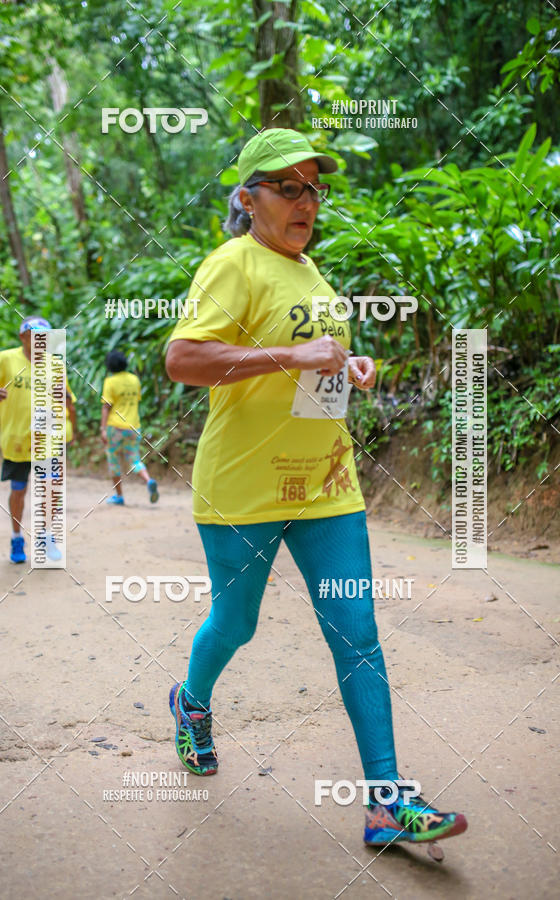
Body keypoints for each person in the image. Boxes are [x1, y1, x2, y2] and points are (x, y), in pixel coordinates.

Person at [165, 129, 468, 850]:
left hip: (327, 488)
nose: (307, 201)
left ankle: (387, 802)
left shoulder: (315, 276)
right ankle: (191, 700)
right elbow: (182, 358)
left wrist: (346, 365)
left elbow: (308, 365)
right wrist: (292, 353)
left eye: (314, 187)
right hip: (243, 489)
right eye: (289, 187)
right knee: (236, 624)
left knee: (357, 635)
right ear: (248, 198)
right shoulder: (232, 263)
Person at [0, 315, 77, 563]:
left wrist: (70, 431)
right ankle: (16, 537)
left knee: (52, 488)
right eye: (34, 335)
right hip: (17, 441)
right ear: (23, 336)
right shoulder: (6, 359)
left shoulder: (55, 365)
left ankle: (45, 535)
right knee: (19, 491)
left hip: (48, 439)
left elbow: (66, 400)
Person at [100, 349, 158, 505]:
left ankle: (119, 496)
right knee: (134, 459)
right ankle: (148, 480)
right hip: (134, 426)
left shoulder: (110, 382)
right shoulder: (134, 380)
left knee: (113, 460)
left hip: (115, 427)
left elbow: (107, 407)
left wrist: (103, 429)